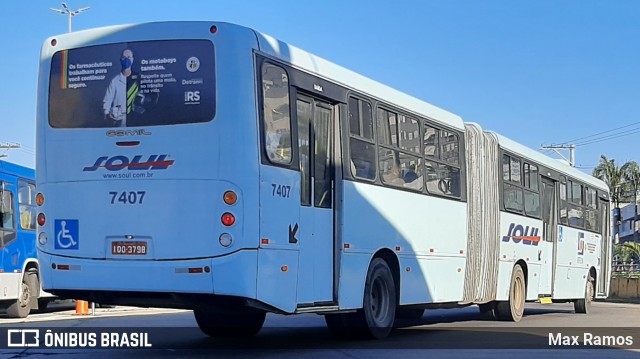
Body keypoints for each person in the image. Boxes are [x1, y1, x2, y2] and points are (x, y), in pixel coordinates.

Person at [103, 49, 139, 127]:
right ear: (120, 60)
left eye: (129, 57)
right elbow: (107, 100)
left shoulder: (138, 79)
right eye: (124, 57)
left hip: (136, 120)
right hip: (118, 120)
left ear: (132, 59)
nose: (126, 60)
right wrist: (107, 115)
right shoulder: (115, 81)